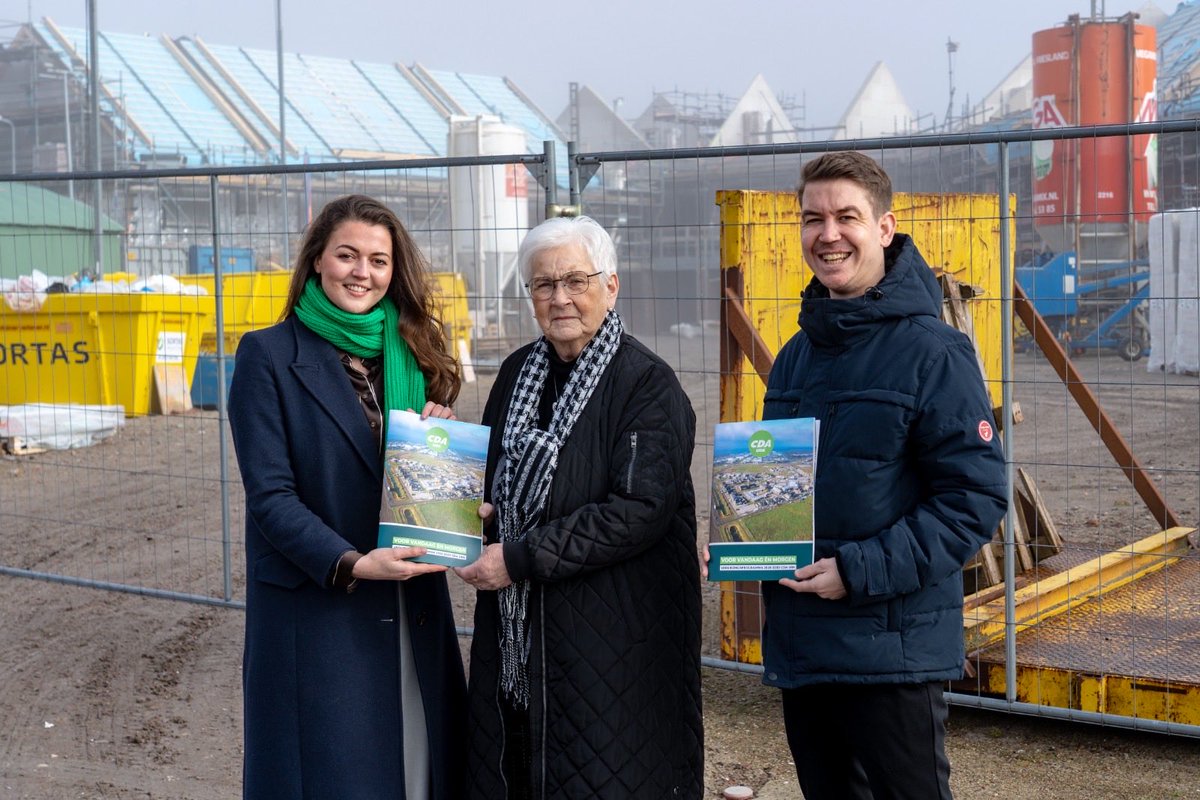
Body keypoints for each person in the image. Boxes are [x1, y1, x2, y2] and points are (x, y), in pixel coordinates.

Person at [758, 152, 1007, 799]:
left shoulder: (935, 353)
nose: (828, 234)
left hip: (890, 650)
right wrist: (743, 543)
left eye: (847, 216)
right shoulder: (793, 358)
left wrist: (860, 571)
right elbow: (778, 487)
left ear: (885, 227)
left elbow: (974, 497)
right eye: (813, 218)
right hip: (806, 641)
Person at [228, 194, 467, 799]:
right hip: (322, 606)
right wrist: (354, 564)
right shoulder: (268, 356)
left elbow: (416, 486)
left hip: (411, 601)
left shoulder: (417, 354)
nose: (363, 272)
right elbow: (272, 499)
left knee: (417, 767)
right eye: (347, 255)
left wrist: (446, 467)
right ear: (316, 261)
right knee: (335, 773)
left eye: (379, 260)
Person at [456, 215, 703, 799]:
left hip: (615, 641)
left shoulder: (647, 384)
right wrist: (461, 504)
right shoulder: (517, 373)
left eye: (576, 279)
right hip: (521, 640)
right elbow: (493, 480)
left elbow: (638, 509)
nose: (560, 297)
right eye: (544, 284)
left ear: (610, 285)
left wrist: (518, 558)